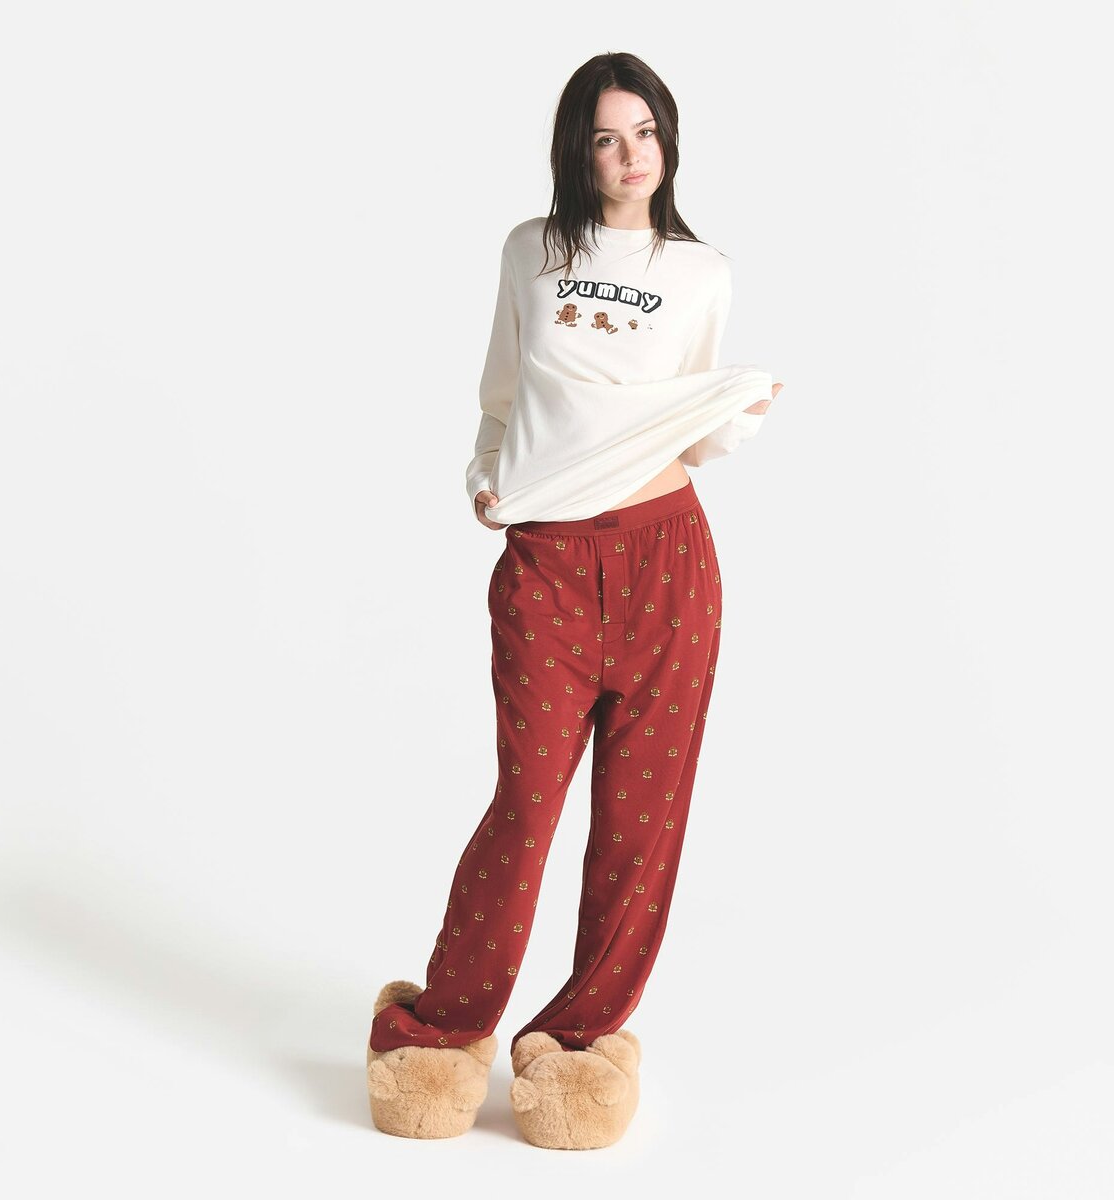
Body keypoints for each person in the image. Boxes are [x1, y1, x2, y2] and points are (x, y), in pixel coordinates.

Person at [367, 51, 784, 1148]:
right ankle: (442, 1028)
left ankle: (581, 1039)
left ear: (668, 141)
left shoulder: (702, 272)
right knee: (528, 804)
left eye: (644, 133)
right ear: (578, 152)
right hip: (547, 565)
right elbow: (502, 397)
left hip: (667, 560)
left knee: (642, 820)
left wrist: (738, 416)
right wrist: (483, 476)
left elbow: (688, 423)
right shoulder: (531, 251)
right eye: (606, 137)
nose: (630, 156)